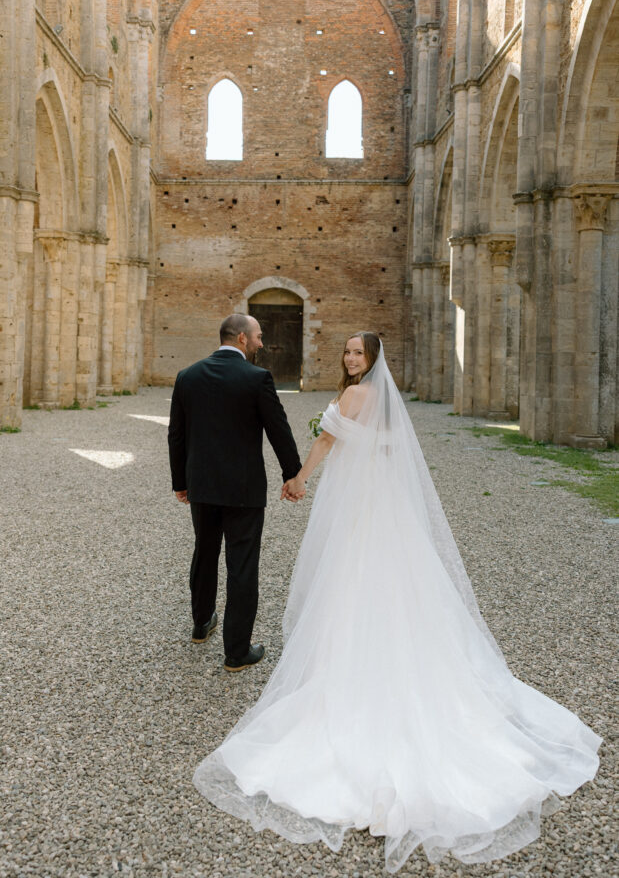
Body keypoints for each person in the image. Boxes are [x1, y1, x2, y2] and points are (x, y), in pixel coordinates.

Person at [192, 331, 602, 873]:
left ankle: (349, 673)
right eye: (346, 352)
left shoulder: (354, 396)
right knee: (396, 586)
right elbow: (383, 449)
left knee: (348, 584)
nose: (349, 359)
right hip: (381, 505)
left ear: (372, 360)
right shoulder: (382, 399)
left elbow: (326, 442)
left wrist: (300, 479)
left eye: (357, 353)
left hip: (356, 510)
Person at [168, 313, 302, 672]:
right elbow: (279, 429)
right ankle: (237, 651)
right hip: (244, 489)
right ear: (242, 339)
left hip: (202, 486)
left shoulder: (188, 376)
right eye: (258, 337)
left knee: (205, 551)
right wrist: (294, 474)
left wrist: (180, 482)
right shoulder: (257, 378)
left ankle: (201, 623)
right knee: (241, 565)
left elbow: (176, 435)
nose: (261, 343)